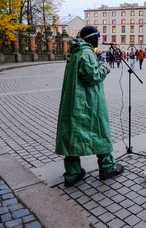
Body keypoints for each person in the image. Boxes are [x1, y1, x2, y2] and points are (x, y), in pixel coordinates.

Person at [55, 26, 124, 187]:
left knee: (72, 134)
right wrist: (104, 68)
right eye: (97, 37)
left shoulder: (75, 52)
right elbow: (93, 76)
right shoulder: (86, 53)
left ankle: (72, 173)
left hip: (73, 102)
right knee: (100, 129)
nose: (98, 40)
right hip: (88, 102)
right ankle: (107, 167)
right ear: (92, 38)